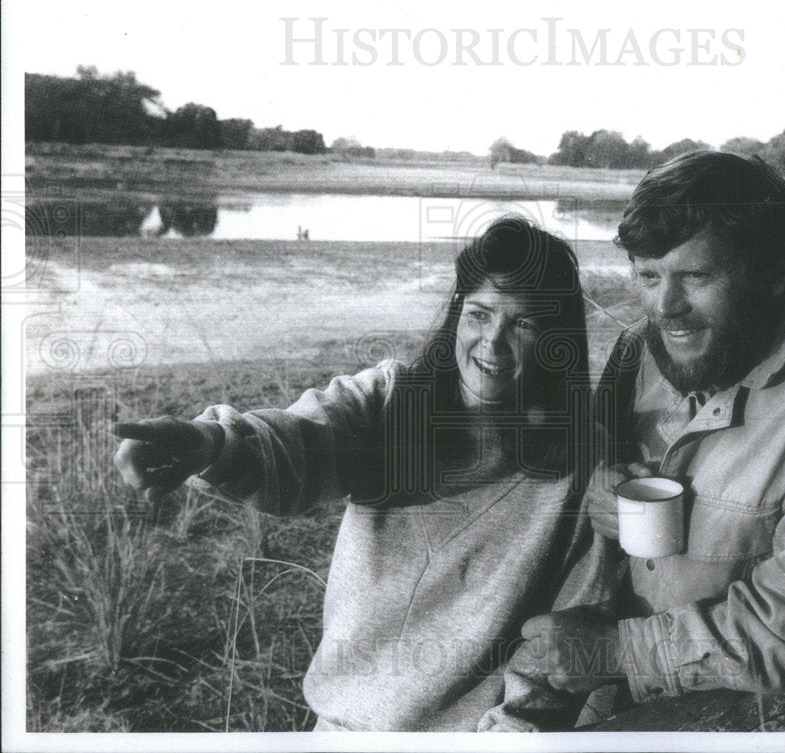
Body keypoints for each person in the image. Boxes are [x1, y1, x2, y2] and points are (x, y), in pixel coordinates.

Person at [113, 215, 615, 732]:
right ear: (456, 317)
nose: (493, 343)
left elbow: (563, 640)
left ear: (557, 341)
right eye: (480, 315)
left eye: (524, 324)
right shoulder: (391, 401)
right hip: (336, 731)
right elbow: (301, 439)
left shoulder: (581, 466)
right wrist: (209, 443)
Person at [519, 151, 785, 710]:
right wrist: (597, 482)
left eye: (696, 275)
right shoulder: (637, 351)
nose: (666, 309)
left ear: (776, 273)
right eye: (648, 276)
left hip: (740, 715)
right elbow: (593, 458)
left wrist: (616, 654)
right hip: (595, 700)